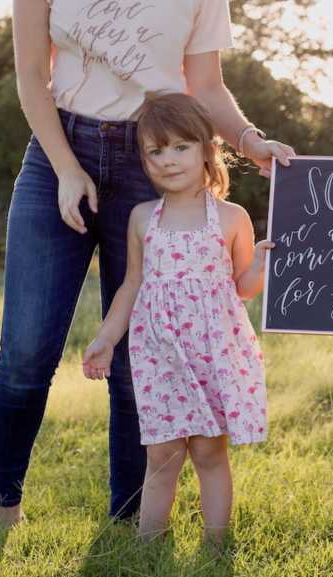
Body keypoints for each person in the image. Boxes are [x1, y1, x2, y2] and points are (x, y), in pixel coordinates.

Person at [0, 0, 293, 528]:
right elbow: (33, 74)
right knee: (26, 350)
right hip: (58, 147)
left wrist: (249, 140)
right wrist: (66, 169)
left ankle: (130, 520)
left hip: (151, 152)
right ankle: (4, 507)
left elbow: (206, 86)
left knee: (139, 363)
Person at [82, 93, 271, 542]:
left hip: (213, 353)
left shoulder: (231, 218)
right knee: (162, 455)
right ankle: (148, 546)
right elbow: (132, 284)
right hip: (161, 356)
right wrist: (107, 338)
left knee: (209, 453)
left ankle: (215, 545)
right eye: (156, 151)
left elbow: (241, 288)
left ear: (207, 150)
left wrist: (260, 268)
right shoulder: (143, 218)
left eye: (181, 147)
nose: (168, 160)